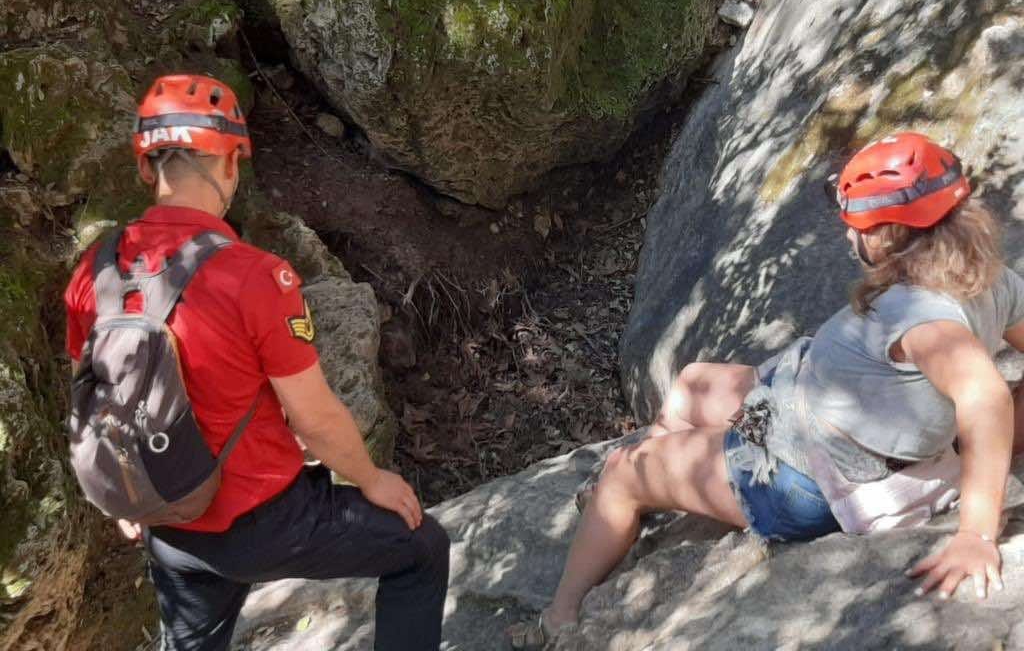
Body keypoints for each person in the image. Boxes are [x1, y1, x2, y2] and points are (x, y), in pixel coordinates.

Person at [521, 132, 1024, 646]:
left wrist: (976, 532)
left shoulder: (921, 316)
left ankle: (560, 616)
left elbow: (985, 397)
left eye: (853, 223)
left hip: (799, 478)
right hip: (809, 413)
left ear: (884, 235)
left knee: (621, 473)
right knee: (692, 385)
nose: (847, 235)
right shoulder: (989, 278)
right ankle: (663, 489)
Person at [64, 75, 450, 651]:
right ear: (229, 166)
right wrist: (372, 479)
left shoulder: (96, 271)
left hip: (169, 524)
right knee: (423, 550)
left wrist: (127, 495)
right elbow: (313, 416)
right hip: (268, 522)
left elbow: (91, 399)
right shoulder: (256, 277)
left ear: (147, 171)